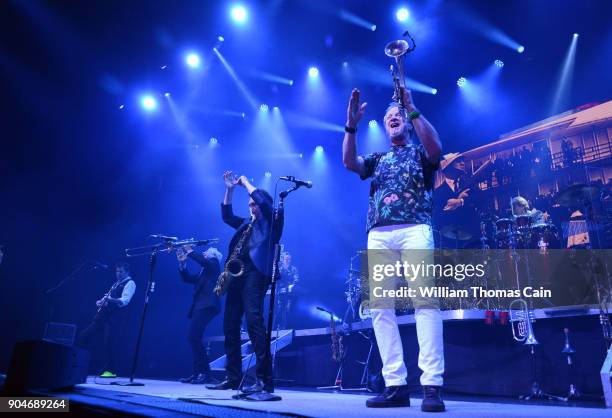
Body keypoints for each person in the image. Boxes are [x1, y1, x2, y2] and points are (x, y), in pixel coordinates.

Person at [342, 87, 445, 412]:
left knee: (425, 304)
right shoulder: (379, 158)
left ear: (406, 122)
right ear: (385, 128)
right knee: (380, 309)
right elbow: (349, 162)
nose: (393, 119)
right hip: (379, 235)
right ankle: (395, 385)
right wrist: (351, 125)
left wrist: (411, 106)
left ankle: (432, 386)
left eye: (397, 115)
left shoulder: (418, 152)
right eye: (388, 118)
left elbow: (436, 148)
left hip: (415, 228)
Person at [206, 171, 283, 395]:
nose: (251, 207)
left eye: (254, 204)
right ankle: (233, 376)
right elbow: (227, 216)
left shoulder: (270, 221)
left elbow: (263, 203)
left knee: (254, 323)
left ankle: (263, 379)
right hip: (237, 278)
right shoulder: (244, 225)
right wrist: (230, 189)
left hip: (255, 275)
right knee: (229, 325)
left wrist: (246, 183)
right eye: (249, 204)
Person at [77, 262, 136, 378]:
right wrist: (101, 302)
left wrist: (110, 299)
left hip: (114, 318)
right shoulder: (115, 284)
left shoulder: (130, 283)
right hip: (102, 317)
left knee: (109, 343)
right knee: (83, 336)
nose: (118, 274)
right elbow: (108, 299)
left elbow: (124, 301)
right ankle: (79, 364)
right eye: (117, 271)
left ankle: (111, 370)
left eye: (121, 271)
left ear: (127, 272)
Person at [176, 245, 222, 384]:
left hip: (207, 305)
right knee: (193, 338)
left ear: (213, 255)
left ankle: (204, 373)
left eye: (206, 252)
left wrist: (190, 251)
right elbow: (188, 279)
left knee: (193, 337)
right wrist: (183, 264)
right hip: (200, 306)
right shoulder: (204, 271)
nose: (204, 253)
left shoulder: (214, 264)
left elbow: (204, 261)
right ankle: (198, 373)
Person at [276, 251, 299, 329]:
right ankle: (277, 326)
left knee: (288, 309)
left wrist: (292, 285)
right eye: (286, 259)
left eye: (289, 259)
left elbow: (296, 279)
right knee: (279, 309)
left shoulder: (293, 269)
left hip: (289, 293)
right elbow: (276, 279)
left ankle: (285, 327)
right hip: (280, 293)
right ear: (283, 259)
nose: (287, 260)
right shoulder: (279, 269)